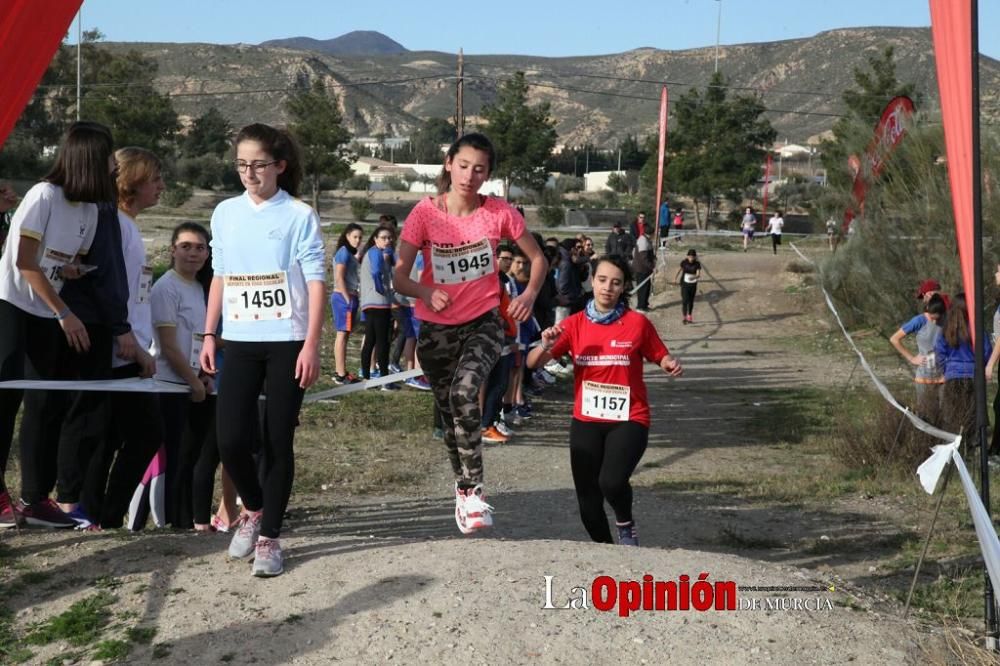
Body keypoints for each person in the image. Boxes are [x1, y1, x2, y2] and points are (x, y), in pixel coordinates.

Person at [393, 132, 545, 534]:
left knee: (465, 394)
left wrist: (528, 293)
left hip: (484, 323)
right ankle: (463, 492)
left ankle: (474, 490)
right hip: (437, 331)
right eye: (463, 165)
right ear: (448, 164)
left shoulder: (499, 212)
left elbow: (537, 258)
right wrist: (426, 291)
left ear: (488, 174)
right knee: (449, 417)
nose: (470, 175)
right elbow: (399, 277)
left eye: (480, 169)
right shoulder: (424, 214)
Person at [200, 123, 325, 577]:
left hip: (286, 341)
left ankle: (271, 535)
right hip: (238, 339)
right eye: (241, 165)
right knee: (230, 439)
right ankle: (253, 508)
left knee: (277, 440)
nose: (248, 173)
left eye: (257, 164)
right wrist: (209, 334)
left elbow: (316, 281)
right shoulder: (225, 213)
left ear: (279, 166)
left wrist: (311, 344)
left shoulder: (298, 214)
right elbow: (220, 275)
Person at [0, 121, 115, 529]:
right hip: (13, 305)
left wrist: (72, 270)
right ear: (89, 160)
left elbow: (62, 263)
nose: (113, 167)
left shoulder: (89, 209)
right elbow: (25, 263)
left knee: (46, 404)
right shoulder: (42, 195)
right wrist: (66, 313)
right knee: (6, 398)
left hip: (49, 310)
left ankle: (34, 498)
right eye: (107, 159)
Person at [526, 254, 682, 545]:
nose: (607, 287)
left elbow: (659, 354)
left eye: (616, 283)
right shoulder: (573, 325)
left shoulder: (637, 323)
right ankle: (607, 552)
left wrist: (669, 363)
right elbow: (533, 363)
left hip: (629, 418)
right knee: (587, 502)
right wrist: (545, 345)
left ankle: (625, 524)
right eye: (602, 280)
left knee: (610, 482)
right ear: (592, 281)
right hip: (587, 420)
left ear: (623, 288)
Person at [77, 147, 164, 530]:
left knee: (113, 435)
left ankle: (98, 514)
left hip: (134, 344)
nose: (161, 187)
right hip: (121, 348)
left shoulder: (128, 226)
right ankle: (102, 514)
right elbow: (112, 289)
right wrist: (126, 337)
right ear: (134, 182)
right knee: (138, 434)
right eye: (155, 179)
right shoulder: (117, 227)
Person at [150, 222, 214, 530]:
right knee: (173, 457)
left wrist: (202, 376)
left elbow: (199, 338)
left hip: (194, 385)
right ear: (173, 250)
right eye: (186, 246)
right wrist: (191, 381)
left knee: (189, 456)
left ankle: (184, 520)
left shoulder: (200, 288)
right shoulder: (166, 287)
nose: (193, 253)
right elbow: (169, 346)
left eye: (200, 247)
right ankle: (167, 519)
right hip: (170, 385)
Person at [935, 293, 991, 448]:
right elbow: (986, 351)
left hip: (953, 375)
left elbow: (939, 351)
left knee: (953, 415)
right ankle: (971, 447)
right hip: (973, 375)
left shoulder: (947, 329)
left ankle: (954, 447)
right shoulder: (976, 329)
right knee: (972, 413)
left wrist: (945, 370)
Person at [889, 294, 946, 407]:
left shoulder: (947, 320)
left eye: (937, 318)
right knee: (926, 414)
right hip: (924, 377)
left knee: (944, 415)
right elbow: (894, 339)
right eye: (932, 318)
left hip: (943, 376)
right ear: (927, 310)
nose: (934, 322)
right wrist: (912, 358)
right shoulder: (918, 321)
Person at [358, 224, 397, 389]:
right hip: (378, 303)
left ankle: (367, 378)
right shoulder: (374, 252)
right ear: (375, 239)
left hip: (370, 302)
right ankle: (383, 380)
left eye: (389, 238)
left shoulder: (381, 253)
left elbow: (393, 265)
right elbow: (376, 273)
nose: (387, 241)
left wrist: (389, 256)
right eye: (383, 238)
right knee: (383, 342)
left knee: (371, 340)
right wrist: (381, 289)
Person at [330, 223, 363, 385]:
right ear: (347, 236)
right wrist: (347, 299)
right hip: (343, 297)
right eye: (355, 236)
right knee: (342, 335)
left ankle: (341, 371)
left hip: (349, 296)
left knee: (345, 334)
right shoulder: (343, 253)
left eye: (360, 237)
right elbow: (339, 278)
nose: (358, 240)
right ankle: (341, 373)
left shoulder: (350, 254)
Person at [674, 249, 701, 325]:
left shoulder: (697, 264)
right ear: (687, 256)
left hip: (693, 284)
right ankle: (684, 317)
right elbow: (679, 270)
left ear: (695, 257)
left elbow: (698, 274)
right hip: (684, 283)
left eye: (693, 257)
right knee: (685, 300)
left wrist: (694, 277)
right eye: (690, 256)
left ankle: (689, 315)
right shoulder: (684, 263)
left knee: (691, 301)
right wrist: (675, 278)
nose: (691, 258)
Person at [632, 228, 655, 312]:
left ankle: (645, 304)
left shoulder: (647, 240)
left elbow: (649, 254)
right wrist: (652, 267)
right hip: (641, 269)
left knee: (647, 287)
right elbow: (644, 258)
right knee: (642, 288)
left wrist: (653, 258)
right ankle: (640, 306)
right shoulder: (643, 241)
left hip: (646, 269)